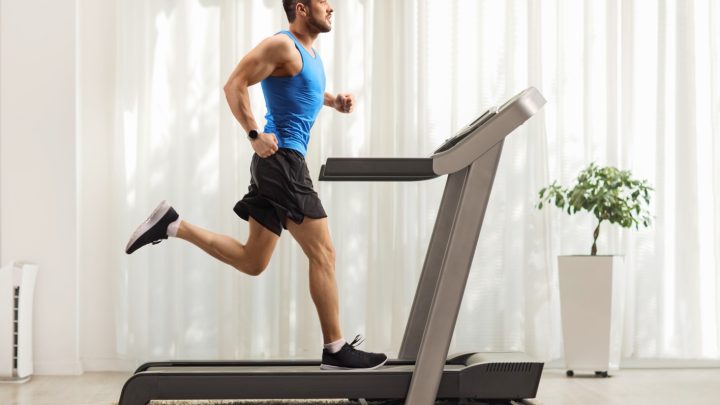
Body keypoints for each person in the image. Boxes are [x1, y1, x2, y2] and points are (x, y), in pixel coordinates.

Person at [124, 0, 387, 371]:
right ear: (301, 8)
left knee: (253, 261)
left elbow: (305, 92)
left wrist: (334, 101)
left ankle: (172, 224)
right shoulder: (283, 45)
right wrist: (253, 134)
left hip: (278, 165)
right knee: (324, 254)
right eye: (324, 1)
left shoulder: (309, 56)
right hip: (283, 163)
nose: (331, 7)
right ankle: (336, 349)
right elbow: (234, 84)